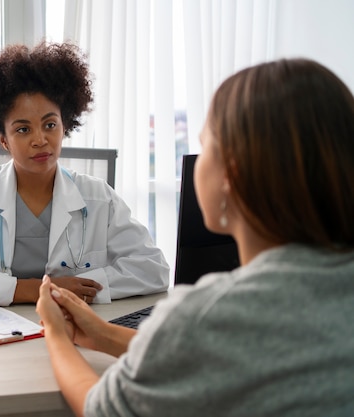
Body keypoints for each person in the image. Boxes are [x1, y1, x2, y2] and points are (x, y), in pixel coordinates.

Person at [36, 57, 354, 417]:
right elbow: (220, 354)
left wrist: (56, 335)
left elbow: (101, 408)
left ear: (229, 175)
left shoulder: (209, 315)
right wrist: (102, 335)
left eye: (205, 145)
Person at [0, 42, 169, 306]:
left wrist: (82, 289)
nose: (40, 140)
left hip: (75, 328)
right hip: (0, 336)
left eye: (50, 125)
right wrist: (38, 290)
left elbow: (153, 270)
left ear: (65, 126)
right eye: (23, 130)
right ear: (3, 139)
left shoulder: (98, 197)